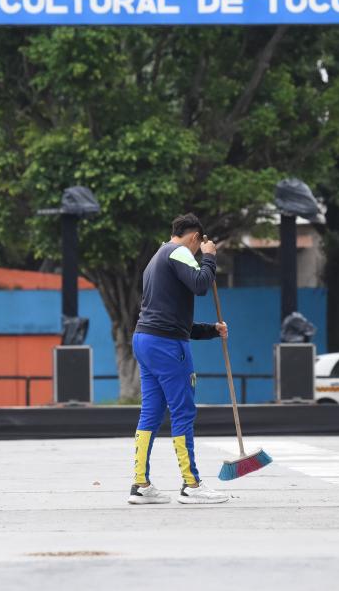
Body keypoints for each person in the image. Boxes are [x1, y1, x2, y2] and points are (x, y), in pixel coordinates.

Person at [128, 213, 229, 505]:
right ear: (195, 237)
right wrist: (210, 258)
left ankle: (140, 484)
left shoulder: (156, 259)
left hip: (145, 339)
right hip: (167, 346)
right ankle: (191, 484)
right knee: (183, 411)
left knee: (151, 413)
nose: (200, 251)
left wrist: (210, 330)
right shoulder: (180, 252)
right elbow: (200, 284)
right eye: (200, 245)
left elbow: (171, 318)